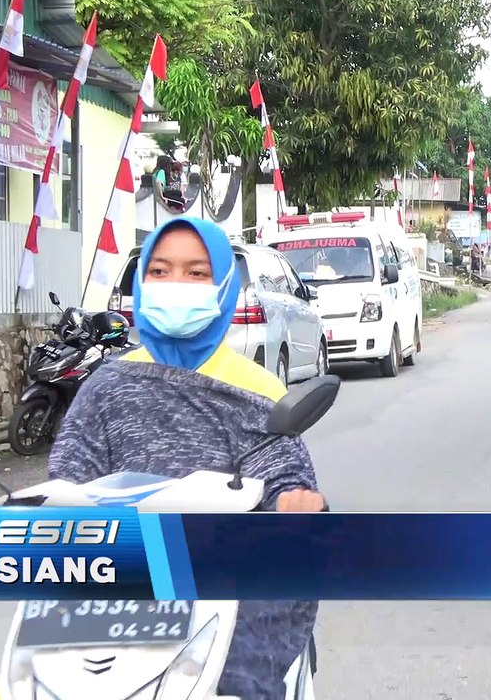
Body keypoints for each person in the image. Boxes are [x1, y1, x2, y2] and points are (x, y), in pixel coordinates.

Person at [47, 216, 326, 699]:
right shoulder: (104, 389)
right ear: (140, 282)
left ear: (222, 288)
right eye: (160, 270)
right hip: (122, 607)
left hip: (230, 610)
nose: (177, 284)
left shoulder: (259, 391)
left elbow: (287, 491)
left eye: (197, 273)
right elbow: (66, 495)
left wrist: (296, 508)